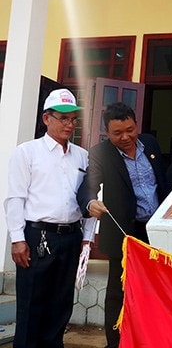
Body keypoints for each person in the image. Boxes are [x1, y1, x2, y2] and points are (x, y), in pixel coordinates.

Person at [5, 88, 95, 348]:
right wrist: (18, 239)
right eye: (63, 118)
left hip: (70, 237)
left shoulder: (82, 155)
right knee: (32, 305)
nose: (70, 124)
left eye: (73, 119)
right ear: (47, 118)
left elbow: (88, 199)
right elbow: (15, 199)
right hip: (37, 238)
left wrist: (87, 239)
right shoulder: (27, 152)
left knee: (60, 305)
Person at [77, 102, 168, 348]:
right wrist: (90, 203)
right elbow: (88, 187)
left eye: (130, 129)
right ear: (107, 132)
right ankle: (115, 343)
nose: (125, 137)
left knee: (155, 291)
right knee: (118, 293)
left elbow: (163, 182)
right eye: (117, 133)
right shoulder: (100, 153)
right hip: (124, 233)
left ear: (136, 124)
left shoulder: (150, 144)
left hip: (154, 232)